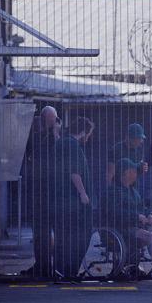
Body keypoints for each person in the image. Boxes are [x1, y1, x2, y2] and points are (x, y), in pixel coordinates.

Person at [52, 116, 94, 279]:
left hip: (61, 199)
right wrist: (83, 193)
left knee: (64, 237)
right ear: (83, 132)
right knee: (81, 236)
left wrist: (56, 131)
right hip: (73, 201)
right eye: (89, 134)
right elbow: (74, 172)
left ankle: (61, 271)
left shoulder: (62, 142)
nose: (89, 137)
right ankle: (70, 272)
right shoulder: (73, 145)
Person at [23, 106, 60, 278]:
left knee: (50, 231)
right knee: (39, 231)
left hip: (52, 190)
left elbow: (60, 153)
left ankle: (52, 266)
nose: (54, 122)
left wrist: (55, 134)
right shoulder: (36, 136)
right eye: (51, 119)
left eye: (55, 119)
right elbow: (29, 152)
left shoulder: (57, 138)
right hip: (38, 188)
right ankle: (41, 265)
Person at [106, 123, 151, 207]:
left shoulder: (139, 151)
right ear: (130, 138)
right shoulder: (116, 149)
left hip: (133, 188)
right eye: (138, 138)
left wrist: (143, 168)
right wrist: (109, 190)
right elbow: (110, 172)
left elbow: (138, 170)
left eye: (141, 139)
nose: (141, 141)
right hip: (118, 189)